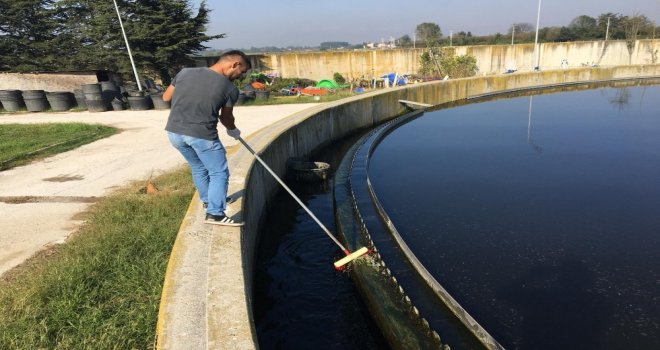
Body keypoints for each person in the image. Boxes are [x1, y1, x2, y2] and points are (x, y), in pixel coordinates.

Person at [163, 50, 251, 226]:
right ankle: (215, 213)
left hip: (174, 132)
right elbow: (225, 118)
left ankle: (207, 201)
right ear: (235, 64)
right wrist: (233, 130)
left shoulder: (185, 72)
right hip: (202, 136)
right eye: (241, 72)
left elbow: (166, 97)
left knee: (198, 168)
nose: (239, 76)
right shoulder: (229, 89)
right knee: (219, 173)